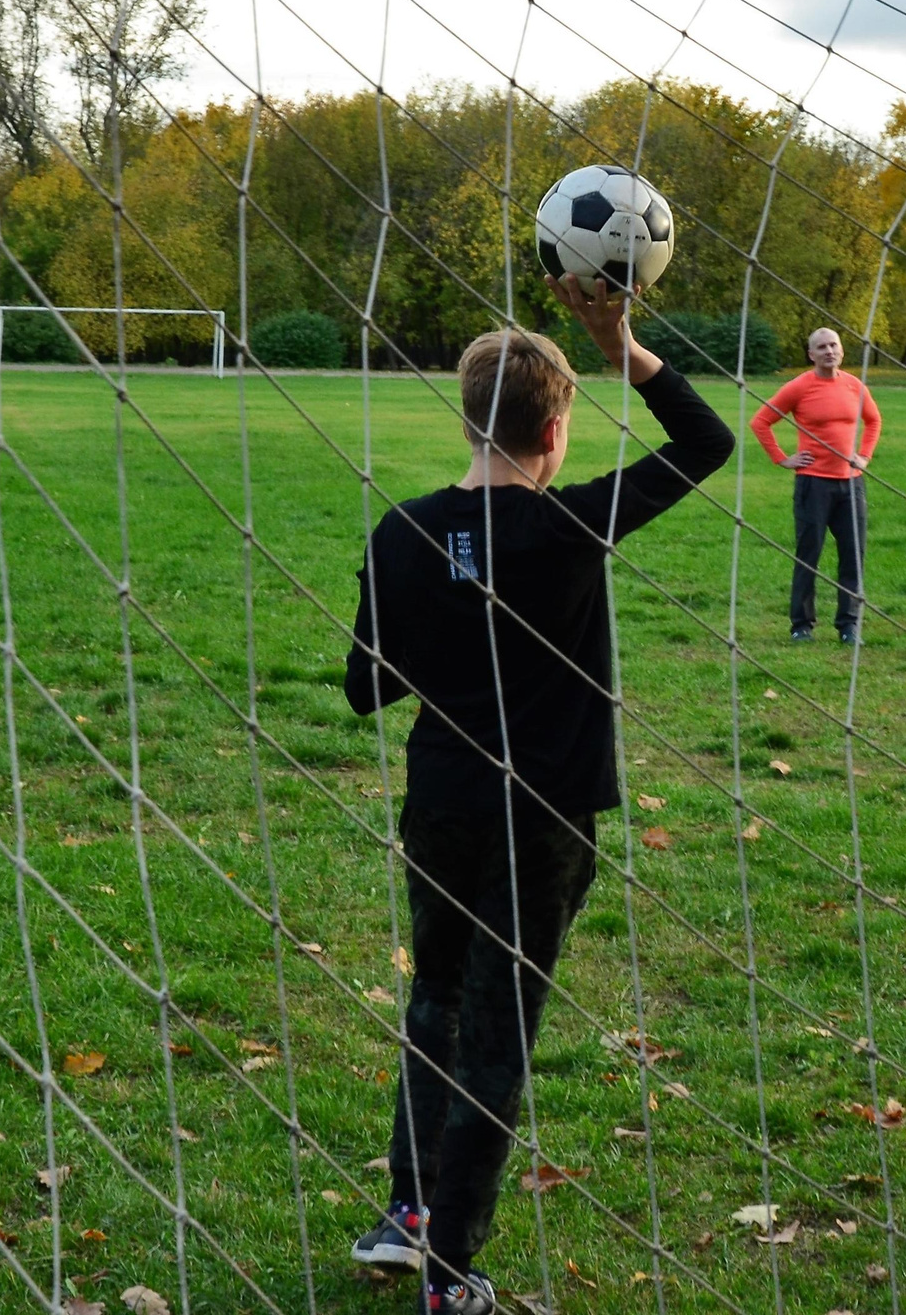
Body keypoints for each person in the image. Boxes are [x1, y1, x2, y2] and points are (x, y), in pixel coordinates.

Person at [342, 277, 732, 1314]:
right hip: (542, 818)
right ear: (555, 427)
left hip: (443, 807)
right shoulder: (570, 525)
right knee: (497, 1030)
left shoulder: (401, 532)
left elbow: (363, 686)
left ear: (467, 416)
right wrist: (623, 344)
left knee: (435, 995)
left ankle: (407, 1212)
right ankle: (451, 1270)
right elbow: (706, 445)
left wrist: (445, 626)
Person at [749, 327, 882, 645]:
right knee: (809, 554)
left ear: (841, 350)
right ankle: (801, 625)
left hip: (851, 485)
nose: (829, 351)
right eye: (821, 347)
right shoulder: (799, 387)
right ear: (811, 354)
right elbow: (761, 421)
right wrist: (781, 458)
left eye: (833, 345)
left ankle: (849, 625)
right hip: (813, 485)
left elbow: (874, 420)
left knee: (853, 555)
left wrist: (864, 456)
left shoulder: (854, 385)